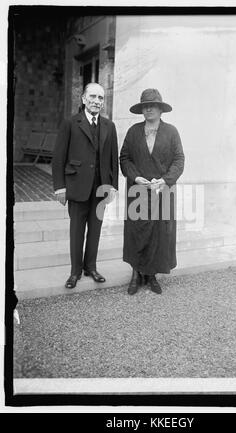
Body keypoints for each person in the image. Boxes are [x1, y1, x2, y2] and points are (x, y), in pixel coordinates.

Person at [52, 83, 118, 289]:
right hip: (77, 186)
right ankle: (75, 272)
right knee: (77, 230)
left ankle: (91, 267)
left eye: (100, 98)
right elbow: (58, 157)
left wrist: (113, 186)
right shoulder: (70, 123)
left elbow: (113, 159)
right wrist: (59, 187)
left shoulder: (109, 126)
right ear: (83, 99)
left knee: (96, 230)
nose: (97, 101)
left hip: (100, 188)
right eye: (93, 96)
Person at [120, 88, 184, 295]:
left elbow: (179, 160)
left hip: (162, 191)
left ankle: (152, 274)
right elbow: (125, 158)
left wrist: (165, 181)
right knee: (137, 232)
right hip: (138, 191)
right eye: (145, 106)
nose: (148, 109)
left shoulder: (171, 132)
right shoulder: (133, 131)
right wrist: (136, 177)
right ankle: (136, 273)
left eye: (152, 105)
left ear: (160, 109)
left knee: (159, 233)